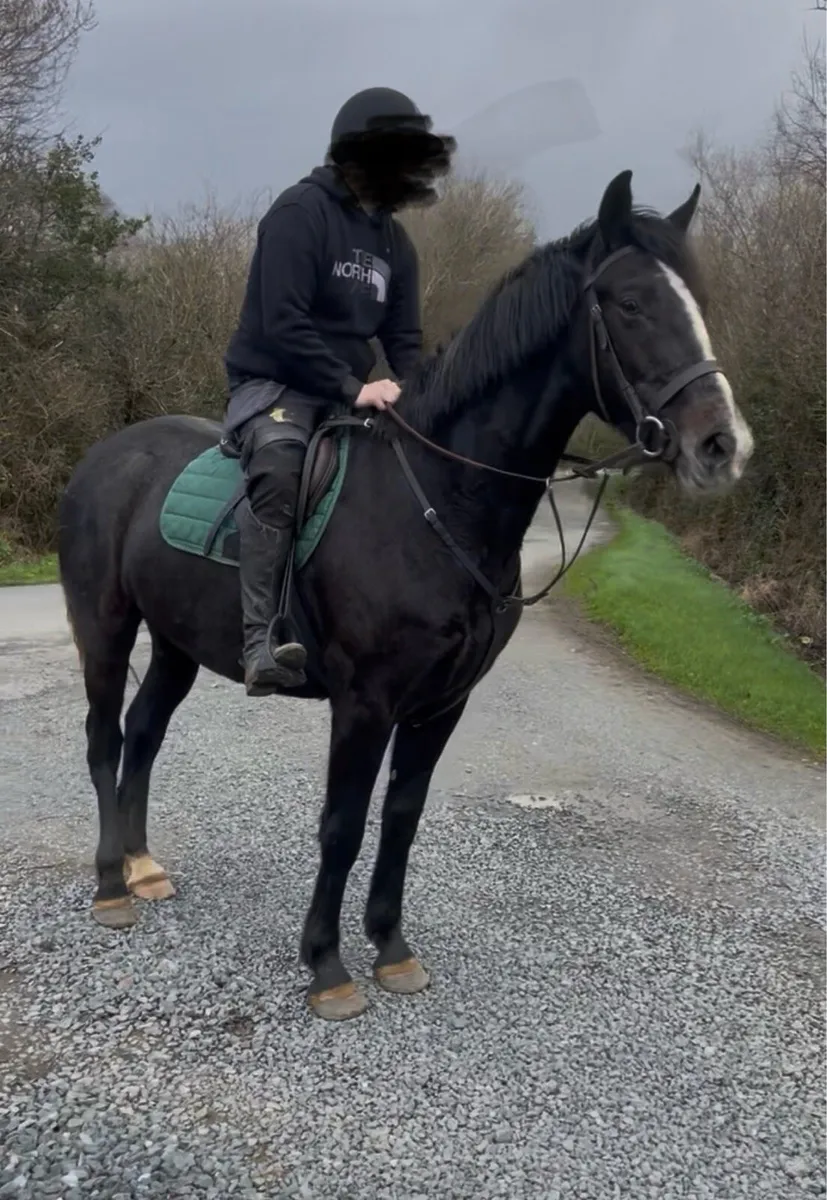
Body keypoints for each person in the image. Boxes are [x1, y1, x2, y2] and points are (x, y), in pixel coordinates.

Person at [223, 87, 456, 696]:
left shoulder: (393, 243)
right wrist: (354, 386)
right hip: (275, 382)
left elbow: (403, 336)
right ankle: (259, 642)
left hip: (347, 391)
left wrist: (417, 393)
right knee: (278, 468)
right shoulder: (300, 213)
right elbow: (283, 323)